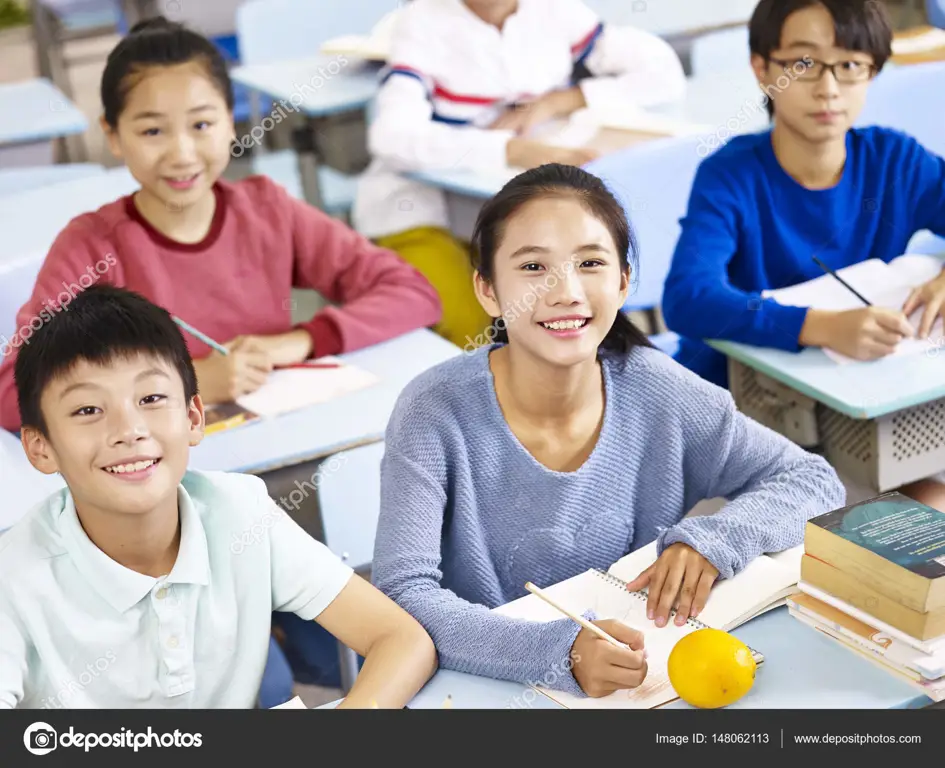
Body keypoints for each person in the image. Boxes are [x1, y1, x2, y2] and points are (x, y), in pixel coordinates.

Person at [370, 163, 846, 698]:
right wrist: (557, 653)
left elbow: (812, 480)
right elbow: (402, 593)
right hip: (484, 685)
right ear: (487, 291)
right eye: (532, 267)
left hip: (639, 680)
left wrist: (713, 541)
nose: (567, 292)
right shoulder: (433, 411)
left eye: (590, 262)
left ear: (622, 282)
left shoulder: (656, 387)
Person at [0, 285, 437, 709]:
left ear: (193, 418)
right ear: (40, 447)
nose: (128, 430)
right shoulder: (14, 578)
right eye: (87, 410)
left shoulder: (241, 514)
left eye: (150, 398)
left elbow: (401, 639)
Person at [0, 16, 441, 433]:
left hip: (283, 448)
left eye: (202, 124)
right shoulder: (92, 248)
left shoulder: (267, 210)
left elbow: (413, 292)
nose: (182, 152)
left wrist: (301, 340)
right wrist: (171, 385)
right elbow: (13, 392)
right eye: (153, 131)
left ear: (232, 122)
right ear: (113, 135)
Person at [661, 0, 945, 510]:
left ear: (872, 71)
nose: (828, 87)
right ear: (762, 68)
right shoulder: (731, 176)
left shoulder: (895, 161)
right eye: (803, 63)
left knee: (926, 501)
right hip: (742, 409)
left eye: (850, 64)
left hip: (861, 400)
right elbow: (688, 297)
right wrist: (820, 326)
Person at [353, 0, 686, 350]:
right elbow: (392, 138)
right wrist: (508, 149)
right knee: (471, 322)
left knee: (569, 300)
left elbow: (662, 72)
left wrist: (557, 101)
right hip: (422, 212)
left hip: (522, 212)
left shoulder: (554, 10)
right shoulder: (421, 22)